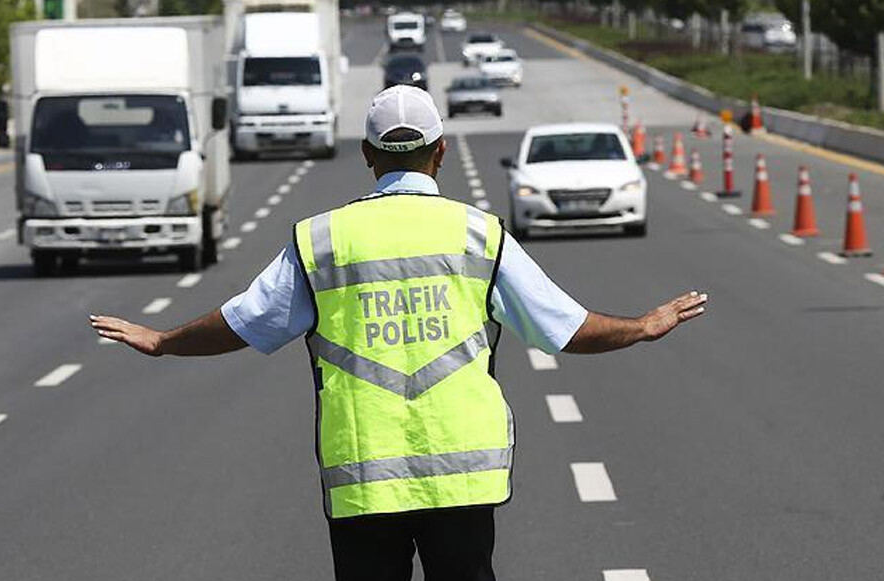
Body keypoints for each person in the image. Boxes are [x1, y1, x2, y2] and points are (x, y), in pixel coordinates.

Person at [90, 85, 708, 581]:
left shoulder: (323, 240)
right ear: (439, 153)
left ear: (367, 155)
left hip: (363, 475)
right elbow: (564, 329)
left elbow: (244, 323)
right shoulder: (478, 234)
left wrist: (164, 340)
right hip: (462, 475)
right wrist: (643, 326)